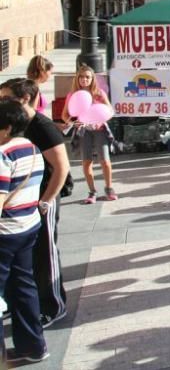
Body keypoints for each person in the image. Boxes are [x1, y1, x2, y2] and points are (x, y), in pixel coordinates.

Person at [0, 79, 70, 328]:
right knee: (25, 258)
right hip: (21, 202)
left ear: (25, 98)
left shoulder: (42, 126)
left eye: (7, 98)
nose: (2, 102)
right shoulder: (15, 124)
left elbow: (62, 168)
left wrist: (46, 201)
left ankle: (53, 305)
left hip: (43, 198)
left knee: (45, 252)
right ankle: (22, 304)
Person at [0, 100, 49, 364]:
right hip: (28, 226)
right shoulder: (32, 148)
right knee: (24, 286)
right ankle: (33, 346)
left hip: (5, 233)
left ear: (6, 128)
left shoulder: (3, 155)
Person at [62, 65, 116, 204]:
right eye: (81, 77)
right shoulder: (73, 95)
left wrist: (101, 120)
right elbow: (65, 115)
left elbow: (110, 110)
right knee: (86, 162)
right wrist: (75, 123)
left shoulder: (99, 93)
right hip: (83, 131)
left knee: (105, 160)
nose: (84, 79)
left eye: (87, 77)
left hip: (99, 130)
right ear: (77, 78)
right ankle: (92, 192)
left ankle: (109, 188)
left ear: (92, 79)